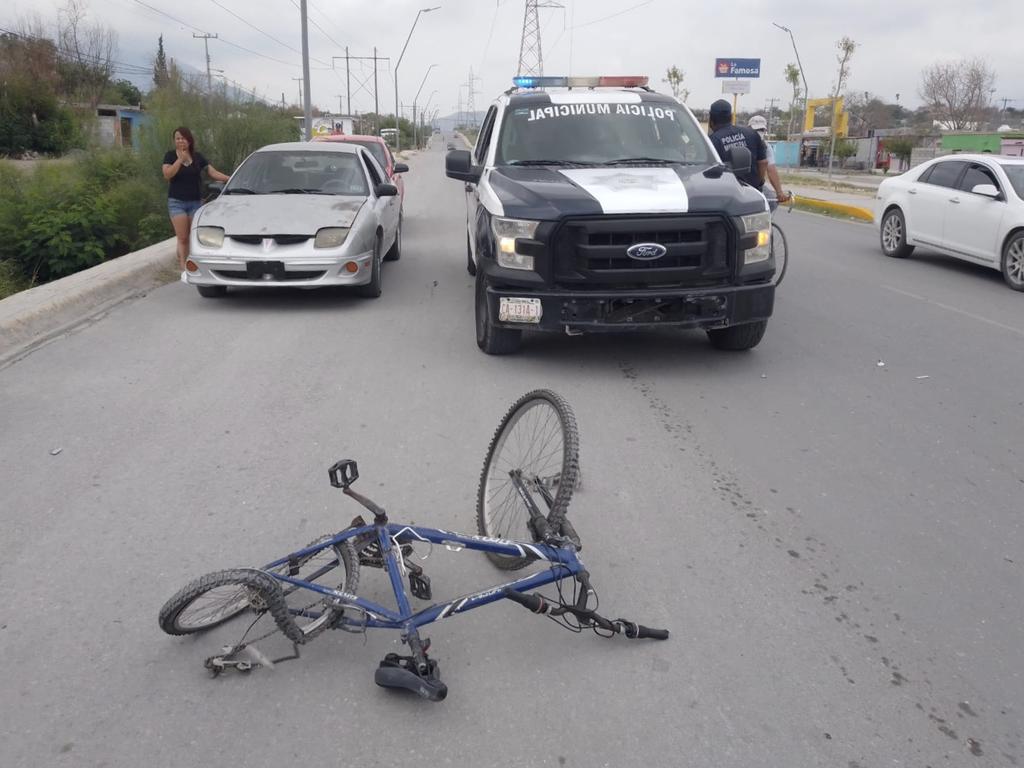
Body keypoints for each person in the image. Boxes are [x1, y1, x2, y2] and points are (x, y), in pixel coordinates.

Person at [162, 127, 230, 279]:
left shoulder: (197, 157)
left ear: (189, 140)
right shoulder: (170, 156)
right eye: (177, 138)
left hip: (195, 202)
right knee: (183, 237)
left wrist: (231, 178)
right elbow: (167, 174)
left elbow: (212, 173)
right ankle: (184, 268)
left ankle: (191, 262)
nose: (180, 141)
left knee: (193, 237)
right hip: (177, 202)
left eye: (183, 138)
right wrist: (179, 160)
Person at [707, 99, 766, 192]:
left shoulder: (712, 141)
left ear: (711, 119)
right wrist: (760, 183)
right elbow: (763, 162)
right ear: (731, 117)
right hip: (753, 192)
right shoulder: (752, 134)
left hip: (725, 193)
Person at [748, 114, 790, 205]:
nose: (759, 133)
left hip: (757, 184)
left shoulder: (766, 147)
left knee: (771, 204)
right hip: (740, 183)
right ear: (748, 129)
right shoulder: (742, 143)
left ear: (765, 131)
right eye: (755, 130)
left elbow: (771, 169)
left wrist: (779, 192)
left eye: (761, 130)